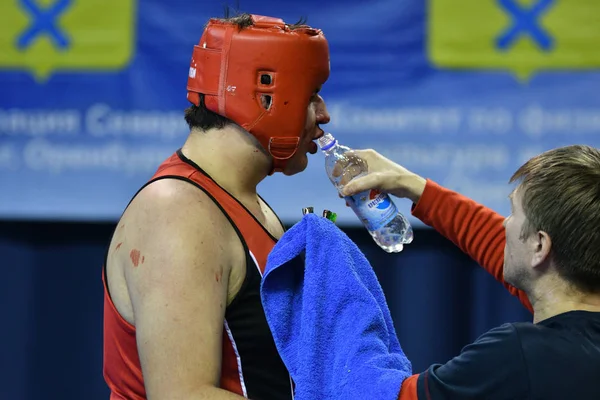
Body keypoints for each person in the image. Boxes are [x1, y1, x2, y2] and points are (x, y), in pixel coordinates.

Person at [101, 12, 331, 400]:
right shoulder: (177, 212)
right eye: (311, 96)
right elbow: (182, 396)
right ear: (266, 97)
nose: (324, 114)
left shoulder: (244, 202)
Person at [339, 145, 600, 399]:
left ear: (540, 245)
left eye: (513, 213)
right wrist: (415, 187)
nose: (505, 224)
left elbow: (383, 395)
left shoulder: (517, 356)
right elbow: (511, 251)